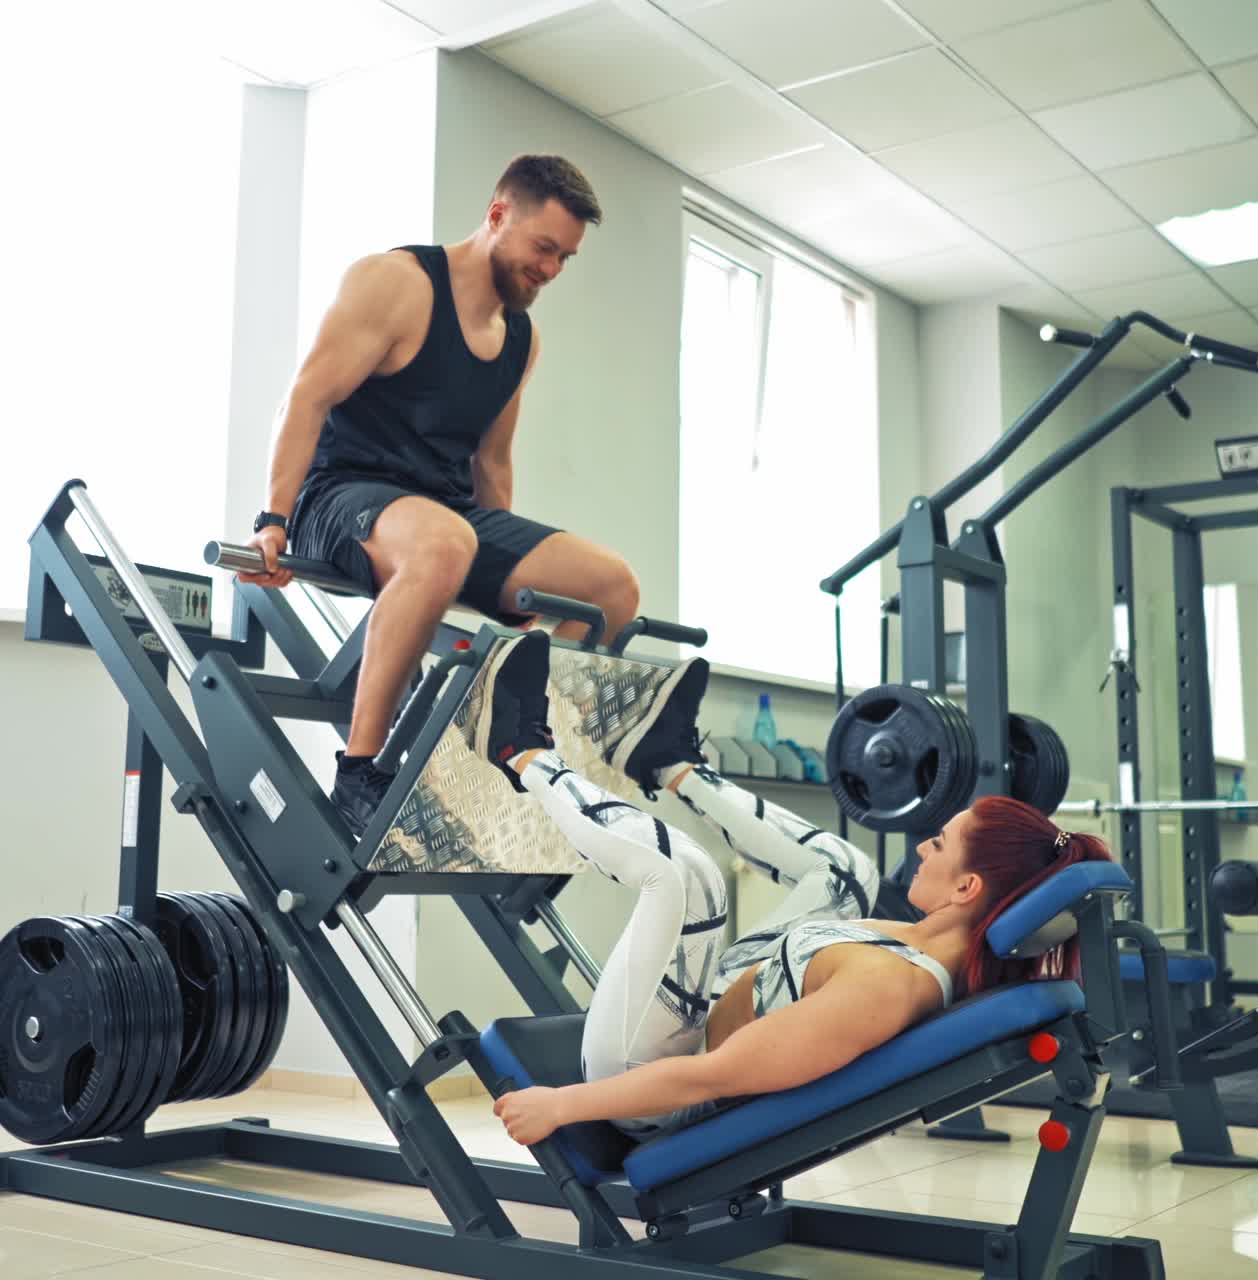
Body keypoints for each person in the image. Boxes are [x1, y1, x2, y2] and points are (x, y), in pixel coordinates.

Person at [471, 631, 1112, 1147]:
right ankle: (668, 766)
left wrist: (561, 1105)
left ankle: (518, 751)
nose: (921, 846)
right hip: (706, 1011)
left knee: (687, 878)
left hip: (652, 1083)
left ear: (967, 887)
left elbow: (711, 1076)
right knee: (846, 872)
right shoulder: (911, 944)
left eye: (939, 844)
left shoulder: (886, 988)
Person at [238, 155, 642, 835]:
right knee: (444, 541)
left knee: (612, 590)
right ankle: (360, 771)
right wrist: (272, 519)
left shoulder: (520, 337)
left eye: (565, 258)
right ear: (496, 216)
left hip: (448, 518)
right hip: (340, 498)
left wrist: (512, 586)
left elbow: (492, 458)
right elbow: (306, 398)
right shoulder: (394, 283)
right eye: (544, 248)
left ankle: (499, 749)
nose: (551, 270)